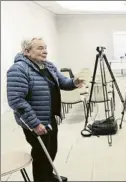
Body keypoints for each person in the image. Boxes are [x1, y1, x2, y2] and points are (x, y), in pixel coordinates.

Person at [7, 37, 85, 182]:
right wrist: (35, 124)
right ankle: (42, 178)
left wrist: (74, 82)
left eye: (45, 47)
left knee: (51, 150)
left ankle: (48, 175)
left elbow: (63, 82)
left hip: (49, 117)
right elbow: (16, 101)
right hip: (35, 121)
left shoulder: (48, 66)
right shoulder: (18, 69)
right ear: (27, 51)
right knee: (41, 154)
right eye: (40, 48)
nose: (45, 51)